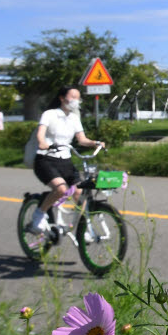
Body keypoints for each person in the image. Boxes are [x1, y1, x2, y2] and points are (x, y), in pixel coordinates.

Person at [27, 86, 106, 234]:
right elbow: (40, 133)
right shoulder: (49, 114)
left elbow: (82, 140)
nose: (76, 101)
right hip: (46, 160)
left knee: (79, 193)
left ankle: (84, 228)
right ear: (62, 98)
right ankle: (39, 214)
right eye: (73, 97)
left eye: (78, 98)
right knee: (61, 189)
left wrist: (95, 143)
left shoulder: (74, 118)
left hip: (65, 161)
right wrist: (42, 143)